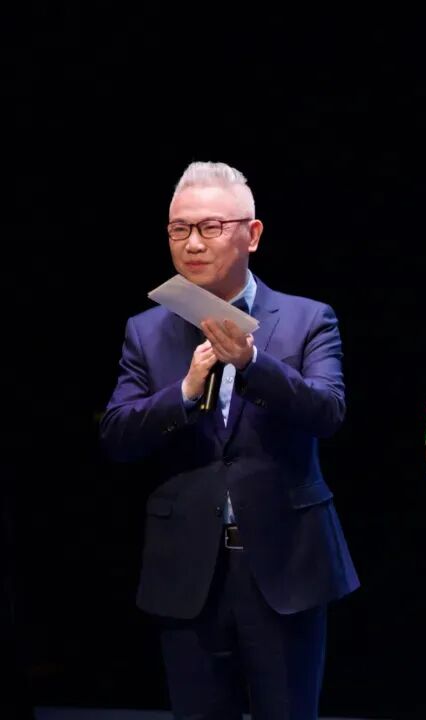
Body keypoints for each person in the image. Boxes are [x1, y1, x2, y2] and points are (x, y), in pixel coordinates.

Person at [100, 161, 358, 719]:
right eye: (179, 229)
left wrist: (254, 363)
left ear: (252, 234)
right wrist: (184, 392)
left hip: (286, 565)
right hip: (186, 570)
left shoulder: (308, 318)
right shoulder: (146, 329)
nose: (192, 243)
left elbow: (328, 412)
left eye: (210, 227)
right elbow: (117, 434)